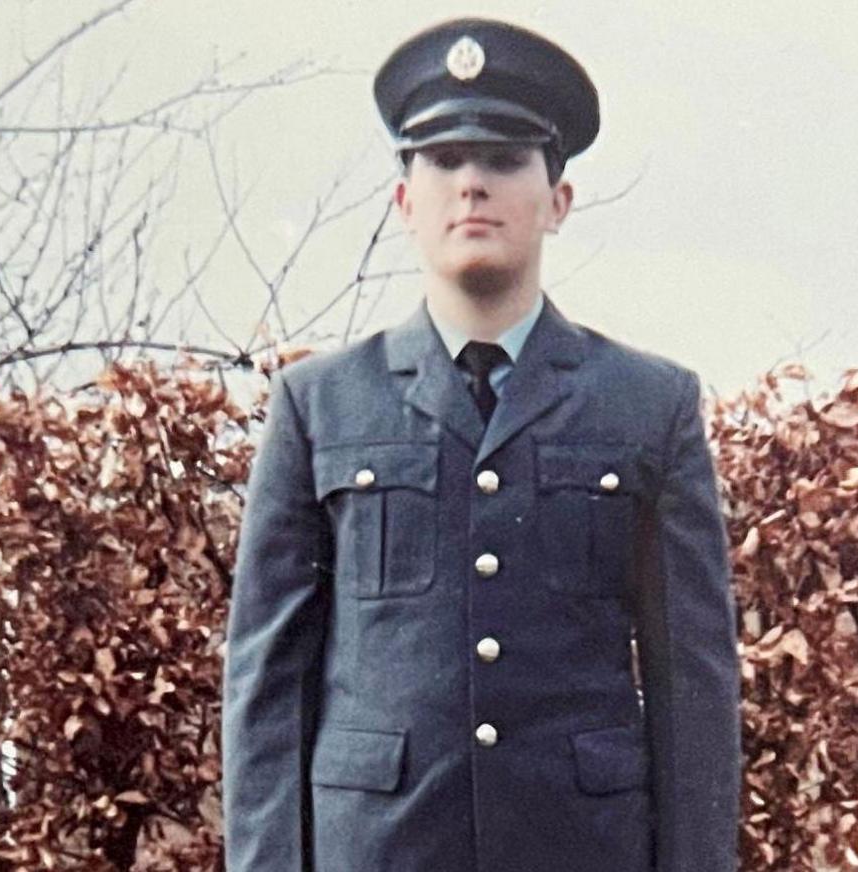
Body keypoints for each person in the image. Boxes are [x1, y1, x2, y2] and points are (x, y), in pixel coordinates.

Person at [222, 17, 740, 872]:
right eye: (444, 162)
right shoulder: (320, 406)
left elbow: (693, 691)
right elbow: (267, 686)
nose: (473, 186)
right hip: (379, 853)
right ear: (404, 203)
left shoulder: (651, 405)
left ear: (558, 201)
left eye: (503, 161)